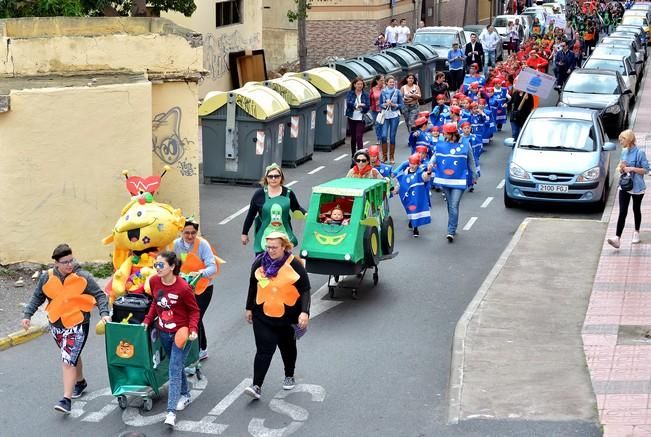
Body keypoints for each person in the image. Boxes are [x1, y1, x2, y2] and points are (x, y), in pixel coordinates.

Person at [22, 244, 111, 414]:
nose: (69, 265)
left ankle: (66, 400)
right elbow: (37, 297)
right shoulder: (46, 277)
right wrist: (27, 315)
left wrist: (104, 313)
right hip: (56, 323)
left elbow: (99, 295)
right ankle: (80, 382)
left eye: (71, 260)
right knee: (71, 357)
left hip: (78, 323)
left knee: (67, 360)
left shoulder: (82, 276)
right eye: (65, 262)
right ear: (56, 263)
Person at [244, 232, 310, 399]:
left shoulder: (294, 264)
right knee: (264, 349)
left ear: (284, 247)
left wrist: (304, 312)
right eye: (268, 247)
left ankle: (289, 374)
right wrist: (249, 308)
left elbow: (305, 289)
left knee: (287, 348)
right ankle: (256, 386)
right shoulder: (260, 262)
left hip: (287, 317)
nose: (270, 250)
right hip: (262, 315)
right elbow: (253, 284)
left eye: (274, 247)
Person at [143, 250, 200, 428]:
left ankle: (170, 413)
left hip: (181, 334)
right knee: (177, 365)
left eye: (161, 265)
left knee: (174, 369)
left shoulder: (183, 288)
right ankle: (185, 394)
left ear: (172, 267)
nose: (157, 268)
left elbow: (194, 311)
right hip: (163, 333)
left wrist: (192, 329)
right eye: (155, 265)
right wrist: (147, 320)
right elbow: (155, 302)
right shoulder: (153, 281)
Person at [173, 217, 218, 362]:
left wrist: (200, 273)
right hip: (185, 288)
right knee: (195, 318)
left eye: (193, 232)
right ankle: (202, 348)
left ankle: (196, 352)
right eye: (187, 233)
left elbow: (213, 267)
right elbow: (173, 263)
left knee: (195, 318)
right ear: (181, 232)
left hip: (203, 288)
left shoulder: (203, 244)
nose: (190, 236)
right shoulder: (176, 245)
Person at [241, 163, 306, 255]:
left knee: (282, 265)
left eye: (276, 176)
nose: (273, 179)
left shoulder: (288, 193)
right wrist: (244, 233)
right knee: (261, 265)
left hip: (283, 235)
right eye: (270, 176)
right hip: (265, 235)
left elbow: (297, 209)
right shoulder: (259, 194)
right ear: (266, 178)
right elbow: (251, 215)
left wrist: (307, 215)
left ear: (281, 177)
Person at [432, 123, 478, 242]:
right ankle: (452, 224)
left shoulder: (465, 144)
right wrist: (431, 163)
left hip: (459, 180)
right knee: (450, 204)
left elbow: (471, 160)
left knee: (454, 204)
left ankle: (451, 230)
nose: (443, 135)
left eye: (445, 133)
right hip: (445, 179)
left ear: (452, 134)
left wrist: (474, 175)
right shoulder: (442, 142)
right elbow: (436, 155)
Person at [608, 130, 650, 249]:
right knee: (622, 211)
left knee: (636, 209)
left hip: (637, 187)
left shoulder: (640, 153)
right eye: (620, 139)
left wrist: (632, 168)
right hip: (625, 186)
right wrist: (622, 168)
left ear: (629, 139)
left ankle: (636, 232)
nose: (620, 141)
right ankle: (617, 238)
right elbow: (621, 169)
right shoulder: (624, 152)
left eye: (622, 139)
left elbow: (646, 170)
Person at [394, 153, 433, 237]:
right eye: (411, 163)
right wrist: (395, 190)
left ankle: (416, 228)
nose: (412, 165)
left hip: (417, 195)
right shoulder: (405, 171)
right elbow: (401, 182)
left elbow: (425, 177)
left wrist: (429, 172)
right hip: (408, 195)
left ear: (418, 164)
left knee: (416, 210)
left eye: (414, 164)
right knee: (410, 209)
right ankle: (411, 220)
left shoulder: (420, 172)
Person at [379, 75, 404, 164]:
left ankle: (391, 156)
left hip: (394, 115)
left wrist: (394, 105)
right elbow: (380, 104)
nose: (392, 84)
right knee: (384, 135)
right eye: (390, 82)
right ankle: (384, 156)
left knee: (392, 136)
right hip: (385, 115)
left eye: (393, 82)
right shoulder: (383, 92)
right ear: (386, 83)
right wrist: (385, 104)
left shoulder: (397, 92)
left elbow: (401, 104)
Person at [345, 77, 370, 158]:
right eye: (358, 84)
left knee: (359, 136)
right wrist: (356, 105)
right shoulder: (350, 93)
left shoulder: (365, 94)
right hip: (352, 117)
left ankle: (361, 156)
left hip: (361, 118)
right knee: (353, 138)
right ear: (354, 85)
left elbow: (368, 106)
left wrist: (364, 107)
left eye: (361, 84)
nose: (360, 86)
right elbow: (348, 103)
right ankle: (353, 155)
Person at [369, 75, 385, 147]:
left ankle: (383, 137)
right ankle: (379, 138)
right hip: (375, 110)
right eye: (381, 80)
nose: (383, 82)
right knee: (377, 125)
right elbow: (370, 98)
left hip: (384, 110)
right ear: (377, 81)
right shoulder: (373, 89)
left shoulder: (385, 88)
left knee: (383, 124)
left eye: (383, 80)